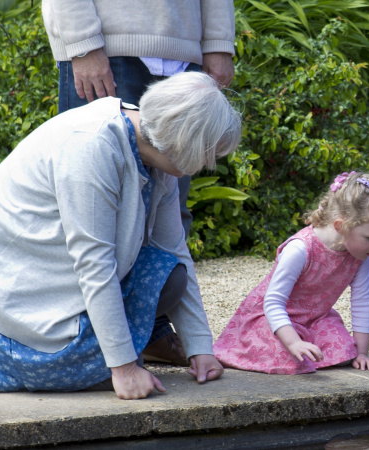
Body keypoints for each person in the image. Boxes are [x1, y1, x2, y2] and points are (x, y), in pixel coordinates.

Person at [0, 72, 242, 399]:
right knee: (99, 374)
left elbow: (173, 249)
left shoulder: (158, 154)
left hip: (43, 270)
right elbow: (95, 264)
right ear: (186, 141)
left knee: (171, 277)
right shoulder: (92, 146)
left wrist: (200, 347)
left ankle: (117, 350)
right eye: (210, 152)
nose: (211, 162)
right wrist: (123, 368)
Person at [41, 0, 236, 366]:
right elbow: (90, 252)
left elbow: (172, 243)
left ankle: (146, 333)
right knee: (85, 223)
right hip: (108, 46)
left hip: (183, 48)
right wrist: (82, 42)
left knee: (167, 220)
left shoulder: (171, 165)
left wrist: (219, 42)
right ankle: (72, 341)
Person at [213, 172, 369, 374]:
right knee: (292, 359)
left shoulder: (360, 254)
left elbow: (362, 301)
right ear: (340, 226)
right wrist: (293, 342)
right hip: (273, 320)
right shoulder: (300, 249)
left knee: (346, 350)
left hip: (316, 319)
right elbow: (273, 303)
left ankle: (308, 345)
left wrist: (362, 353)